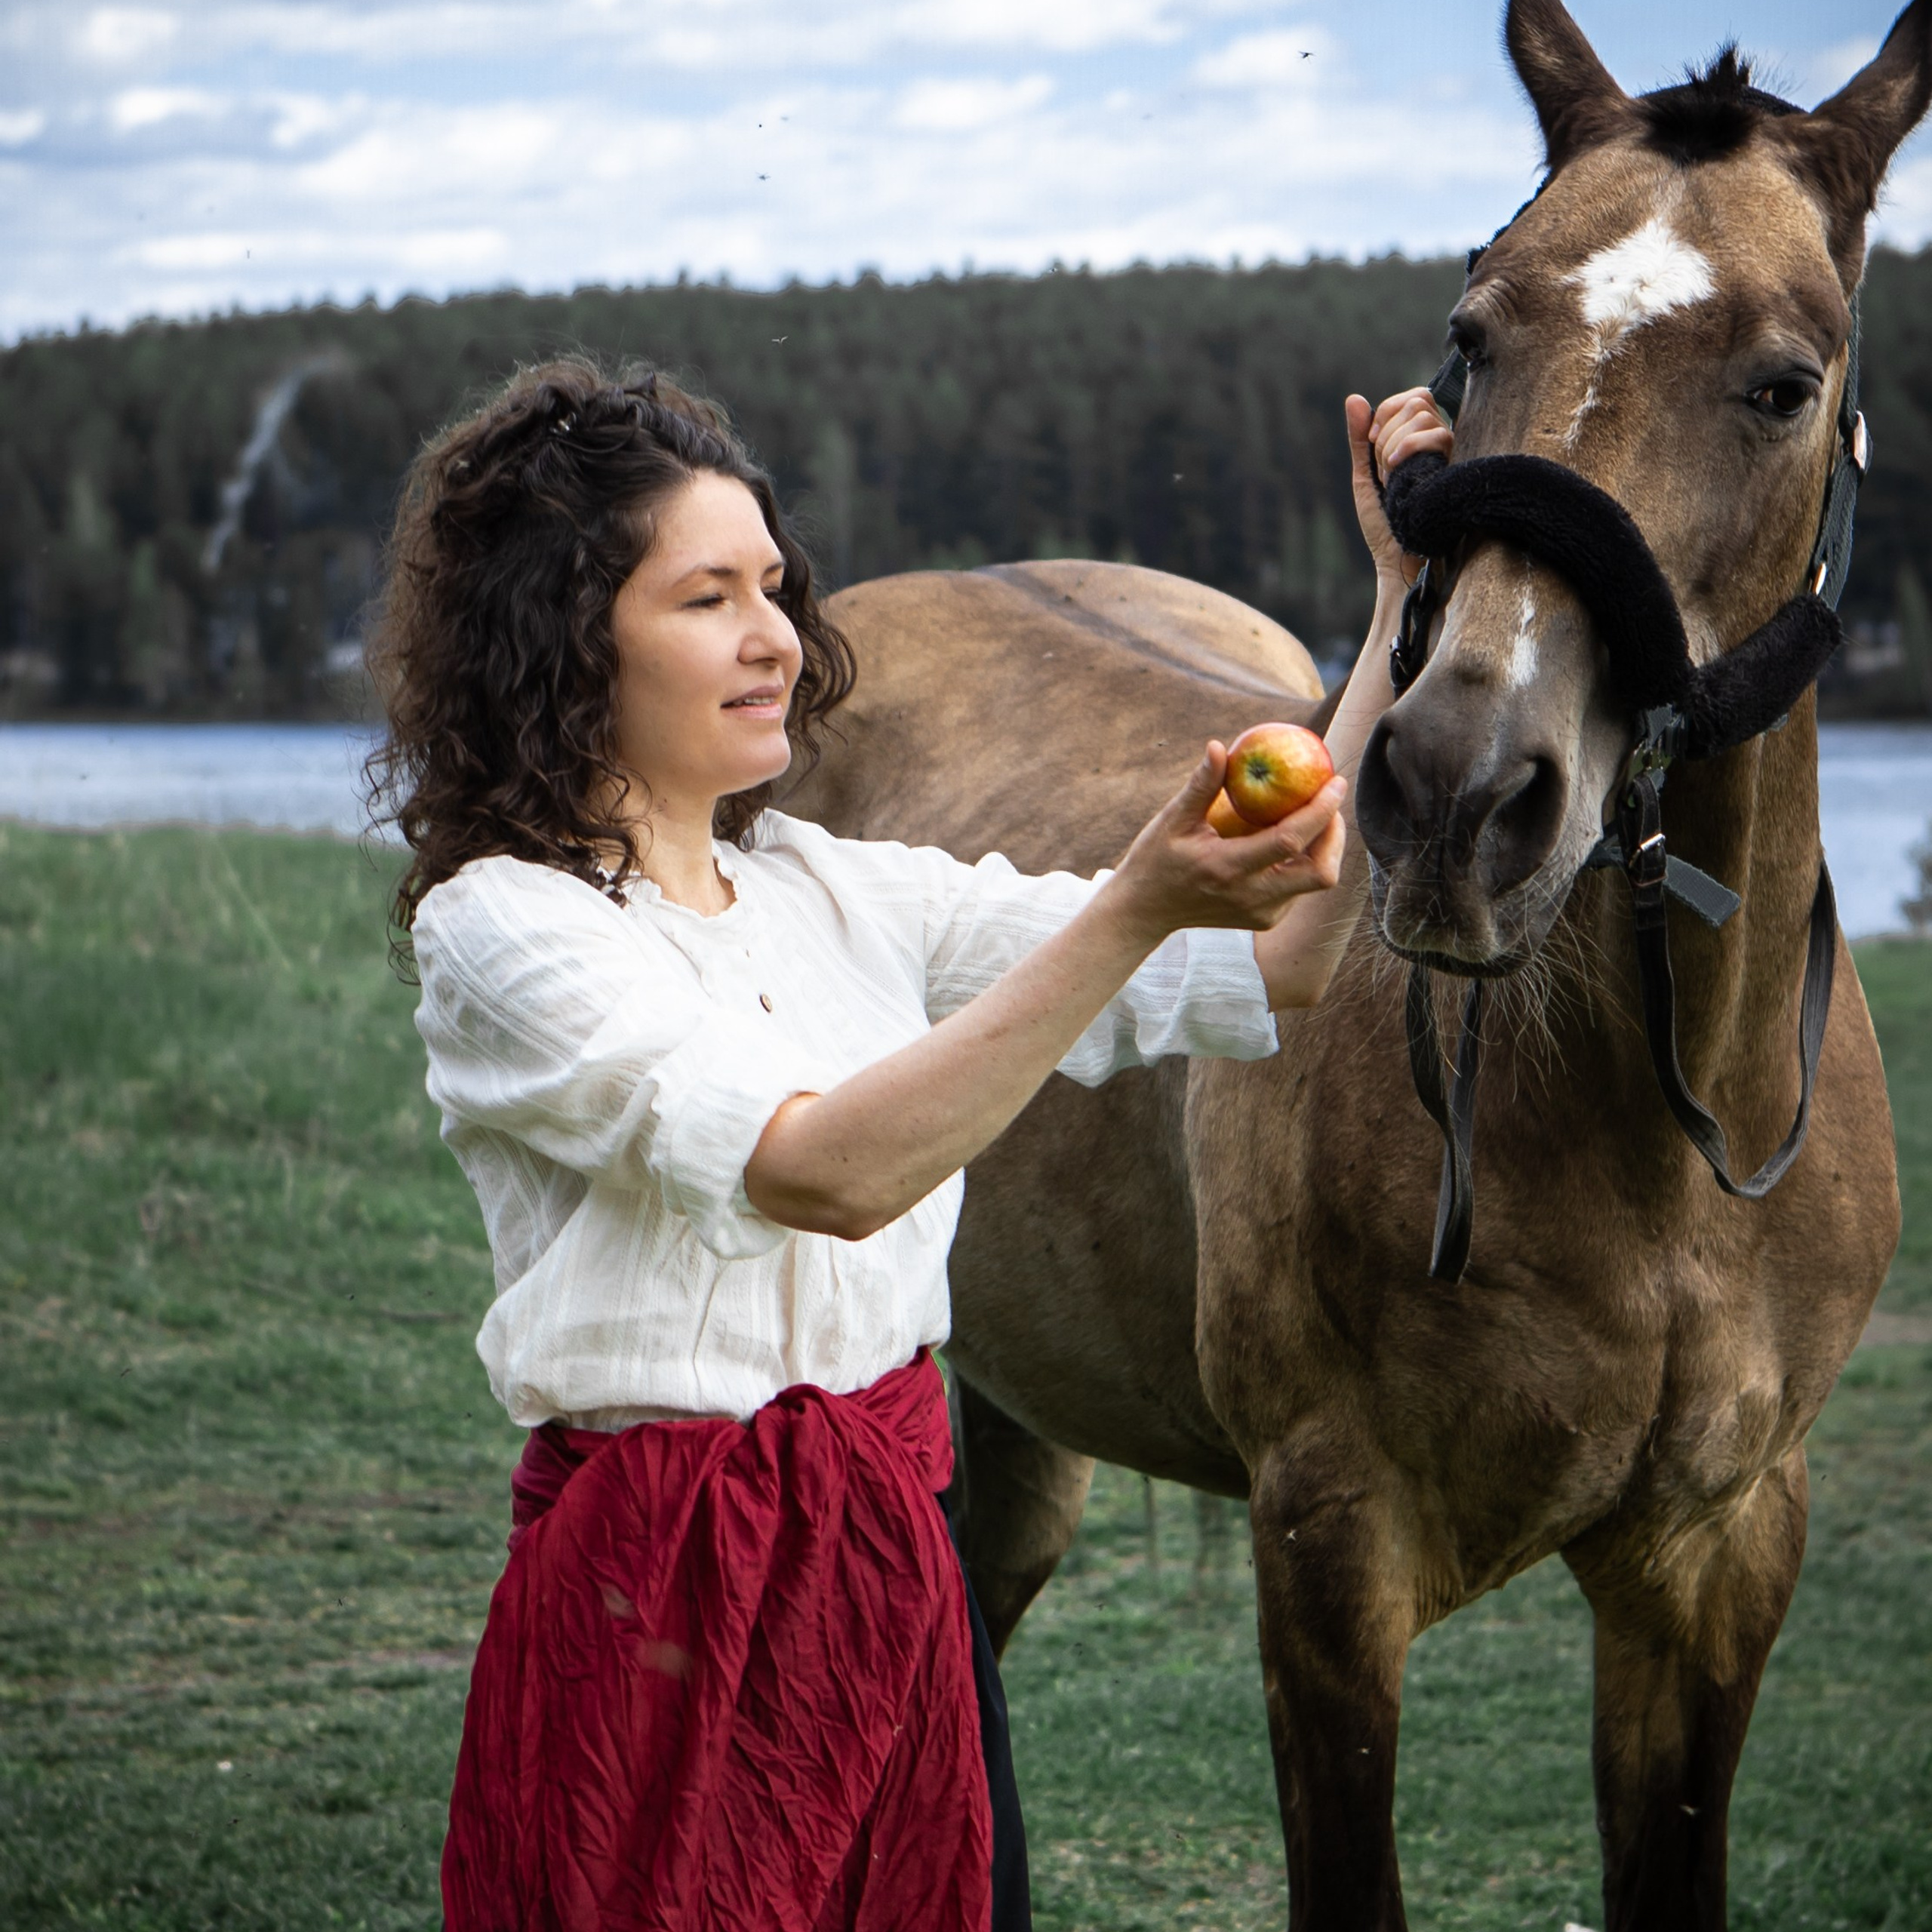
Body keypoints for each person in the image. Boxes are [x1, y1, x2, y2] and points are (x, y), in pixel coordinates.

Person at [368, 355, 1451, 1932]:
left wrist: (1395, 618)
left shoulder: (838, 884)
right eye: (705, 598)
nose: (773, 637)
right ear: (560, 632)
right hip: (662, 1577)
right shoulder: (504, 930)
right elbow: (820, 1168)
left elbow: (1274, 953)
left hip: (894, 1537)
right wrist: (1135, 902)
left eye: (774, 588)